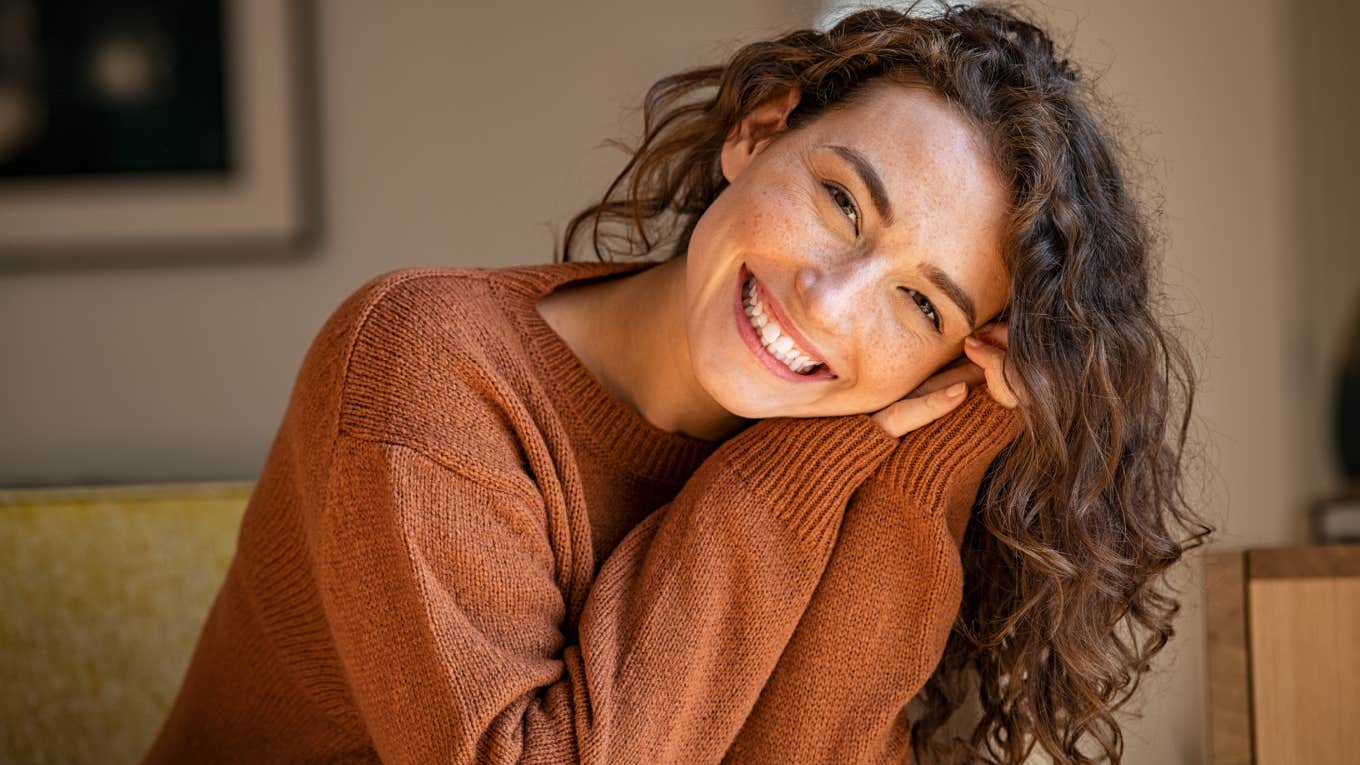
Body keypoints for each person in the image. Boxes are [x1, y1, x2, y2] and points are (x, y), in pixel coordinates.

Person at [143, 2, 1213, 763]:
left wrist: (919, 458)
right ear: (756, 136)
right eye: (844, 203)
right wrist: (801, 463)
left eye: (921, 305)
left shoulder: (862, 452)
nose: (829, 303)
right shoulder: (427, 364)